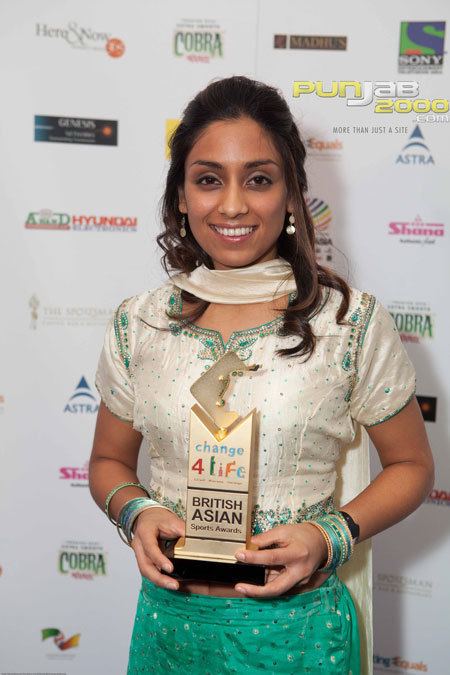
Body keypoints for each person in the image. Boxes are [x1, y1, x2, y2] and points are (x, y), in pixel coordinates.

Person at [89, 75, 434, 675]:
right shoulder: (140, 323)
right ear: (180, 197)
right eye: (207, 179)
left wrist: (331, 536)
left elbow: (412, 467)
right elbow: (107, 464)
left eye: (258, 179)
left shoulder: (347, 322)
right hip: (171, 635)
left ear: (292, 194)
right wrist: (134, 512)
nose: (231, 205)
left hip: (298, 638)